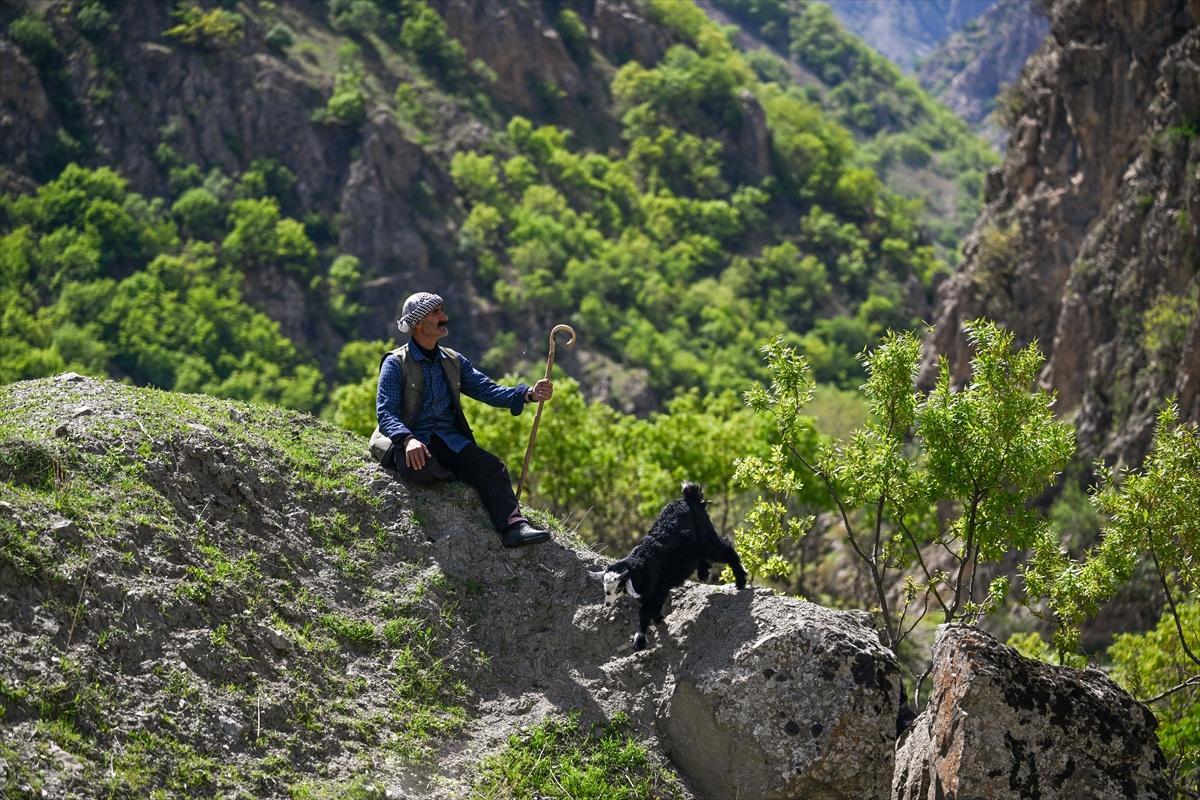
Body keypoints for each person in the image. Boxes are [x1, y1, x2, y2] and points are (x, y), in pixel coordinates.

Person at [374, 291, 554, 548]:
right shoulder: (395, 363)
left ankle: (514, 527)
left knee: (492, 468)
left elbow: (488, 390)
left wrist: (528, 394)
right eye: (436, 313)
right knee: (421, 468)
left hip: (450, 440)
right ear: (417, 324)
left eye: (442, 311)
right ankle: (441, 469)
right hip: (414, 441)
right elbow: (386, 412)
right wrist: (407, 440)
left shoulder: (453, 361)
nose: (444, 317)